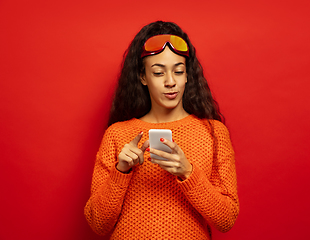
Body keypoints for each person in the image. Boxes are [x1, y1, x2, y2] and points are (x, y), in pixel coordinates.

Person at [84, 21, 239, 240]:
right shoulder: (117, 134)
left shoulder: (213, 132)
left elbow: (226, 219)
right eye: (158, 73)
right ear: (143, 77)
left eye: (178, 71)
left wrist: (188, 172)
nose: (170, 82)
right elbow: (98, 223)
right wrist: (121, 171)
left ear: (187, 76)